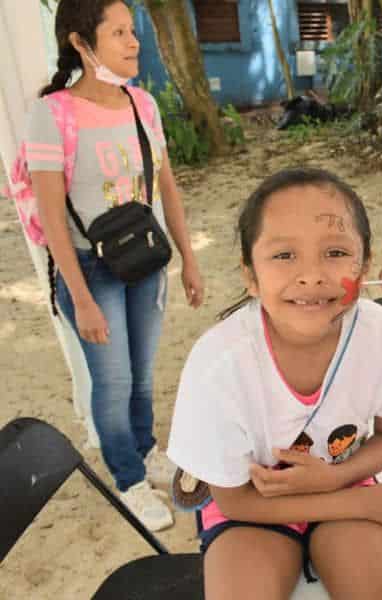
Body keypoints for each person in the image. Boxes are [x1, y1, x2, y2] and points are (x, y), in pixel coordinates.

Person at [167, 168, 382, 599]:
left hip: (344, 479)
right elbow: (233, 501)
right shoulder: (218, 365)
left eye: (336, 252)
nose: (311, 275)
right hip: (251, 507)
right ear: (250, 275)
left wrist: (337, 481)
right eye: (284, 256)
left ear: (366, 266)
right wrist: (356, 502)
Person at [26, 0, 204, 531]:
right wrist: (79, 296)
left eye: (133, 31)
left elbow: (166, 187)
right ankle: (128, 479)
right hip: (90, 270)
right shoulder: (52, 113)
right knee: (113, 381)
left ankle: (146, 449)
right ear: (82, 44)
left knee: (143, 376)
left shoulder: (142, 104)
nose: (134, 43)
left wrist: (189, 260)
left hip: (144, 259)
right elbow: (52, 215)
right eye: (119, 33)